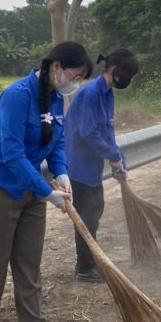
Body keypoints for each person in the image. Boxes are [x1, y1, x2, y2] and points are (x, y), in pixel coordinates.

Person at [0, 42, 93, 322]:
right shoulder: (16, 95)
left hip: (32, 184)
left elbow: (56, 144)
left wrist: (62, 175)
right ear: (56, 67)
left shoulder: (55, 98)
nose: (75, 83)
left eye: (80, 78)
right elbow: (11, 153)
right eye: (74, 75)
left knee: (29, 260)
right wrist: (46, 192)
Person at [65, 49, 140, 283]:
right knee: (88, 214)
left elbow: (107, 130)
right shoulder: (90, 94)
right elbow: (88, 132)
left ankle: (90, 260)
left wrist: (118, 159)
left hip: (92, 163)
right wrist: (111, 154)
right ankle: (84, 268)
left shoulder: (107, 94)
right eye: (127, 73)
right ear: (113, 69)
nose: (127, 79)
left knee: (95, 211)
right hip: (78, 162)